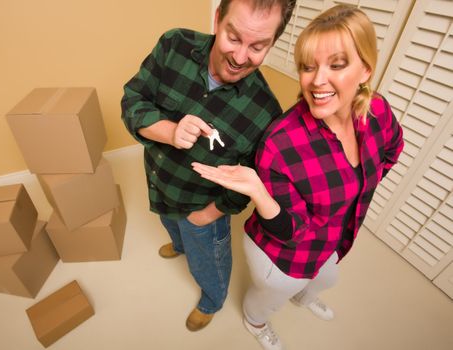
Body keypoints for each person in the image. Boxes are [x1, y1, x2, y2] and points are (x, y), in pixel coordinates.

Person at [192, 4, 404, 349]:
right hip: (282, 257)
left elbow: (394, 147)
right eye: (308, 67)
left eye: (336, 64)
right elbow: (290, 231)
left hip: (332, 239)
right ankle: (255, 322)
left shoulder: (375, 109)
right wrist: (260, 193)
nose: (317, 80)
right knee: (271, 296)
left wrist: (355, 189)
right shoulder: (281, 143)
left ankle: (304, 298)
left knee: (326, 279)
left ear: (365, 69)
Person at [121, 0, 296, 332]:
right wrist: (170, 132)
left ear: (271, 44)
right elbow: (133, 100)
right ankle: (180, 244)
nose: (241, 57)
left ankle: (212, 300)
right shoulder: (174, 45)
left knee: (209, 263)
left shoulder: (267, 114)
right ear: (218, 19)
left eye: (258, 46)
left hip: (203, 209)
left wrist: (208, 215)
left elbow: (247, 184)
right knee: (171, 225)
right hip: (160, 184)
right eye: (233, 37)